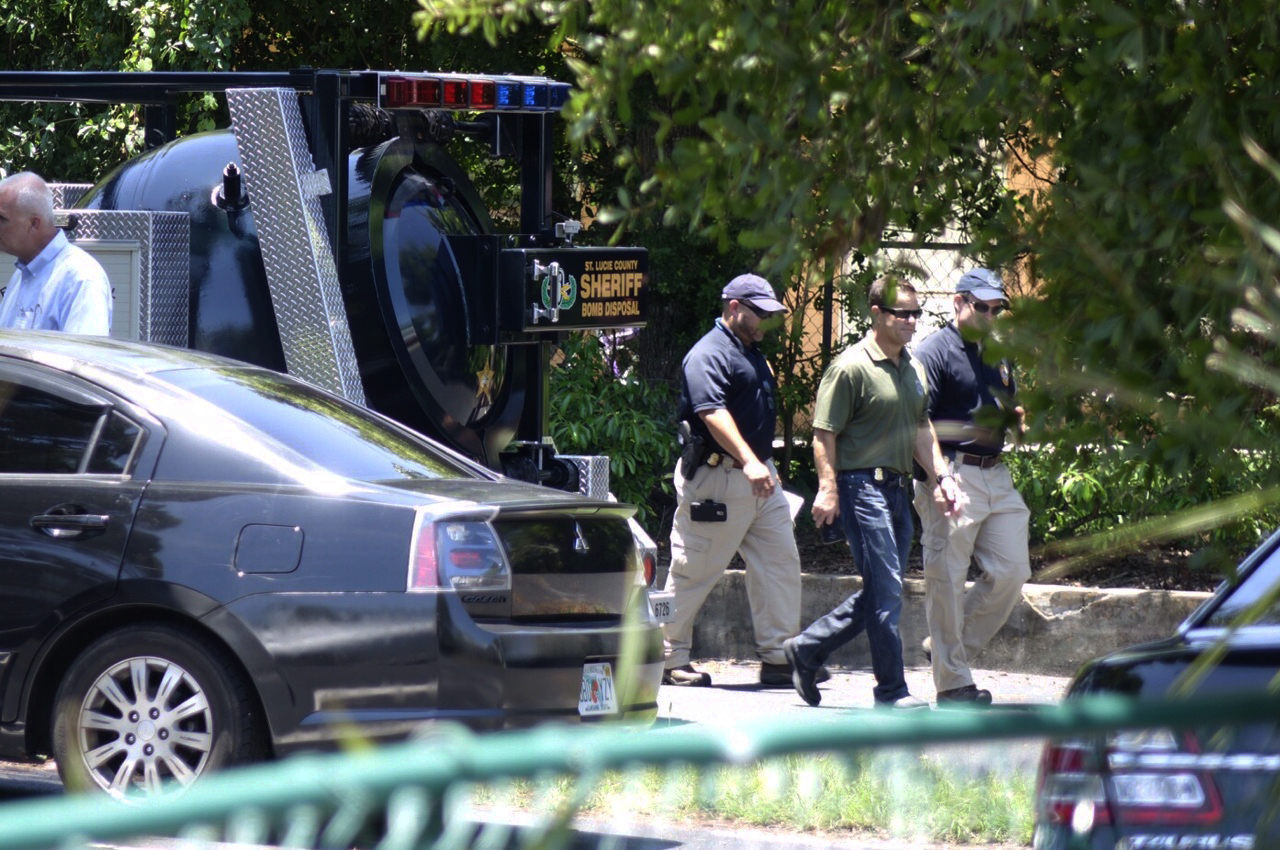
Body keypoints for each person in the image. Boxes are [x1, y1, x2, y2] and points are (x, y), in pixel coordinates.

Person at [784, 277, 961, 710]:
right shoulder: (850, 367)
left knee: (883, 590)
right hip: (861, 487)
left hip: (898, 491)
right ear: (877, 314)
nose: (912, 321)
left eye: (916, 313)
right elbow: (823, 434)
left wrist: (941, 476)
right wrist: (828, 490)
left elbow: (921, 427)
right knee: (886, 595)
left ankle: (806, 649)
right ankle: (891, 692)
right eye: (903, 313)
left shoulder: (913, 367)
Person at [661, 273, 824, 688]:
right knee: (693, 568)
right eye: (761, 314)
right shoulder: (708, 353)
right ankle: (666, 657)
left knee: (779, 565)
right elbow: (711, 412)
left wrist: (765, 464)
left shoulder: (749, 349)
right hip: (720, 477)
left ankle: (777, 657)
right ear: (734, 308)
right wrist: (751, 461)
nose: (767, 322)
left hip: (757, 478)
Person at [911, 268, 1031, 705]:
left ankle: (945, 651)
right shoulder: (933, 352)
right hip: (953, 472)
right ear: (958, 302)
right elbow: (916, 419)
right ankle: (953, 683)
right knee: (946, 579)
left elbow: (999, 400)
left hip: (996, 473)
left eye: (998, 308)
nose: (991, 315)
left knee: (1012, 570)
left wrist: (1013, 417)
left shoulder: (996, 352)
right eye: (983, 306)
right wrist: (939, 476)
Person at [0, 172, 112, 334]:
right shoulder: (21, 274)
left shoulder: (81, 278)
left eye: (1, 219)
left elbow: (83, 356)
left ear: (33, 224)